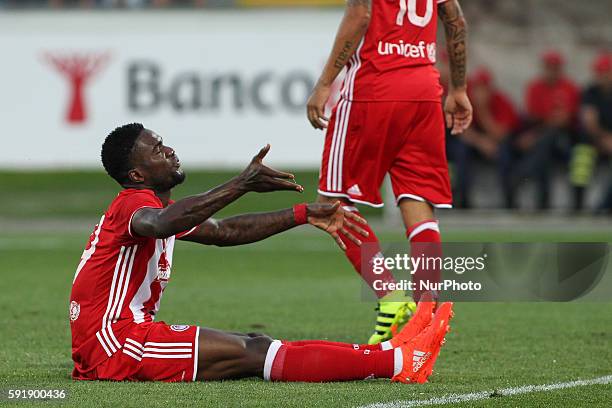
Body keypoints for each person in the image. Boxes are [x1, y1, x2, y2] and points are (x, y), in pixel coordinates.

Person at [69, 123, 453, 384]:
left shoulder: (157, 207)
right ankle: (402, 361)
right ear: (137, 174)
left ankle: (394, 351)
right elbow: (163, 223)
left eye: (163, 142)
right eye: (156, 149)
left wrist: (302, 214)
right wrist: (242, 183)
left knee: (256, 344)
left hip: (116, 339)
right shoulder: (133, 205)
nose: (169, 150)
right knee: (255, 352)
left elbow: (225, 231)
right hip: (114, 344)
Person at [306, 0, 470, 344]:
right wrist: (458, 89)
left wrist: (324, 83)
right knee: (419, 204)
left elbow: (360, 14)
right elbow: (455, 18)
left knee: (330, 204)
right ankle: (427, 319)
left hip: (374, 87)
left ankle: (392, 299)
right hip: (425, 89)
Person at [501, 51, 580, 210]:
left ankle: (520, 175)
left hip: (566, 140)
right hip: (543, 139)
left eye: (554, 67)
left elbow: (563, 121)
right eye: (549, 67)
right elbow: (533, 116)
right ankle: (542, 202)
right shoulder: (535, 87)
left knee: (548, 139)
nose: (551, 71)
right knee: (542, 151)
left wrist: (534, 136)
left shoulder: (569, 88)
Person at [448, 68, 520, 208]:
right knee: (461, 151)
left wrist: (483, 111)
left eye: (484, 88)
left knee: (505, 154)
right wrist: (481, 142)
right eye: (477, 88)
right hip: (479, 144)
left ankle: (509, 199)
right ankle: (462, 199)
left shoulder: (501, 101)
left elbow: (501, 134)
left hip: (498, 143)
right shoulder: (465, 101)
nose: (480, 93)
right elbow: (461, 130)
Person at [581, 52, 612, 211]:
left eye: (606, 71)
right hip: (594, 140)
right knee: (581, 158)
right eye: (600, 72)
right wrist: (603, 139)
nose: (602, 76)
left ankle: (605, 205)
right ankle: (578, 202)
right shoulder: (591, 92)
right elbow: (589, 122)